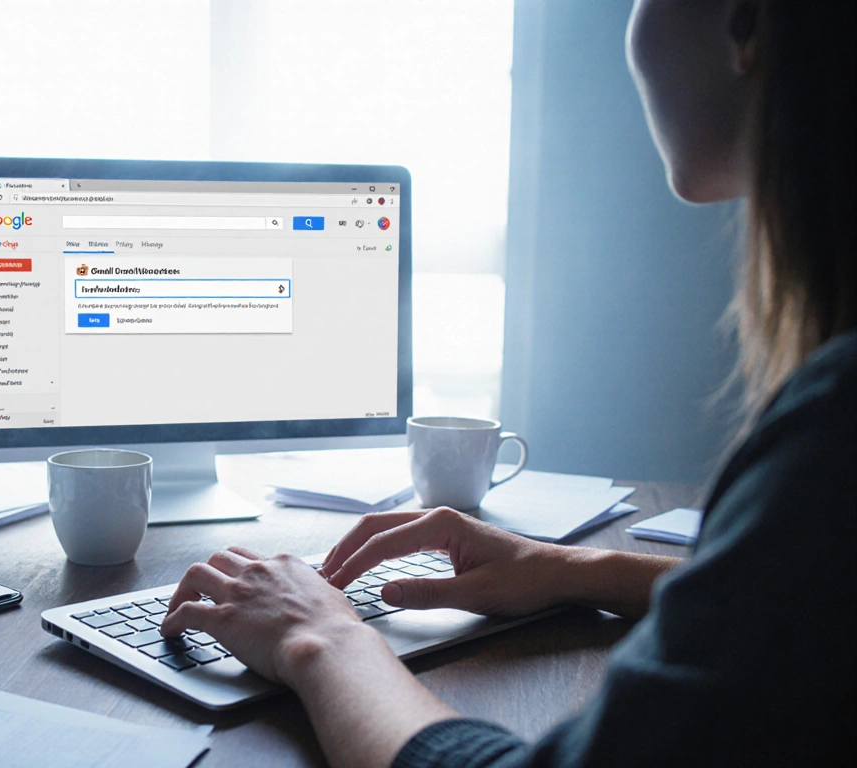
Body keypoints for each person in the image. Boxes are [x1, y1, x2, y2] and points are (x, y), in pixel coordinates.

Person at [160, 1, 855, 765]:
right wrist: (572, 568)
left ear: (745, 23)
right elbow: (806, 610)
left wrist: (318, 635)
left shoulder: (834, 430)